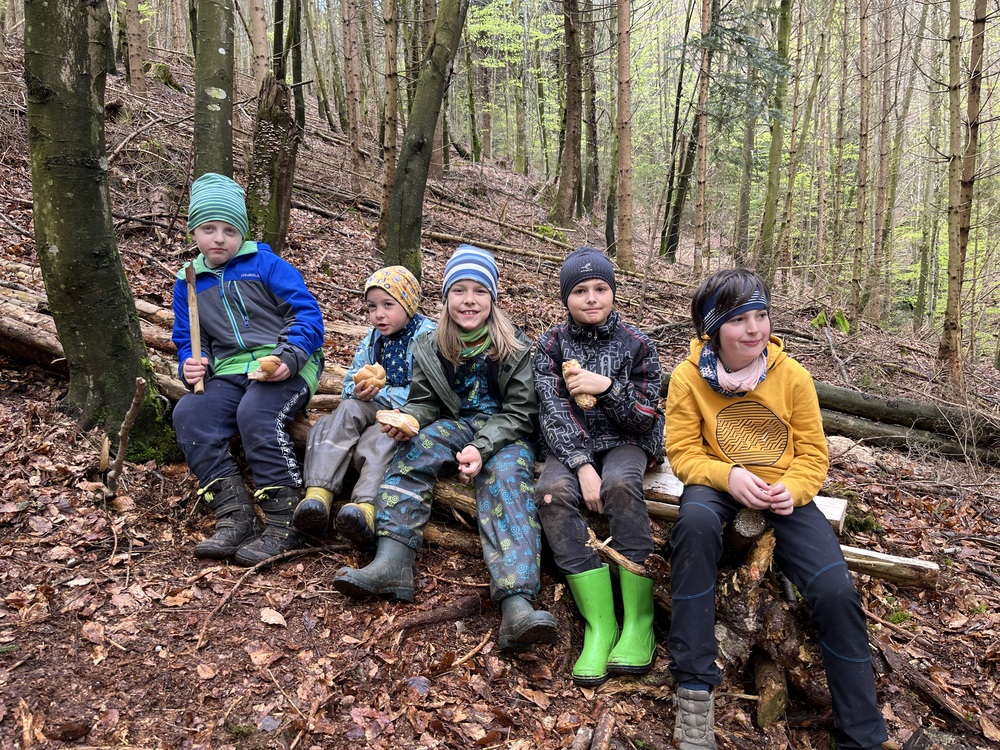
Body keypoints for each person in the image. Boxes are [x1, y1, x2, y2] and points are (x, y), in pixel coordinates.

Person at [665, 268, 888, 750]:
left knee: (835, 591)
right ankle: (695, 689)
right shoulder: (688, 378)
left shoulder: (792, 376)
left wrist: (793, 488)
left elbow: (813, 455)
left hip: (782, 492)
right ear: (712, 329)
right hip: (719, 483)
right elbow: (682, 452)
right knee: (695, 525)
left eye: (761, 315)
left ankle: (862, 736)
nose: (754, 329)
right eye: (738, 320)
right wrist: (728, 476)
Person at [333, 244, 557, 652]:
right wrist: (409, 419)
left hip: (506, 433)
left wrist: (481, 447)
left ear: (493, 297)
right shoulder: (431, 344)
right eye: (459, 291)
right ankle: (392, 561)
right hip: (456, 423)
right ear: (446, 297)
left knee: (507, 478)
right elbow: (426, 401)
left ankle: (517, 604)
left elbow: (521, 412)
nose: (469, 300)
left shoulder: (516, 347)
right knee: (414, 449)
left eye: (479, 291)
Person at [172, 172, 325, 567]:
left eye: (229, 230)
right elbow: (190, 338)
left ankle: (286, 521)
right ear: (193, 232)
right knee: (189, 414)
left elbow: (307, 316)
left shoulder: (266, 265)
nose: (219, 239)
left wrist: (289, 357)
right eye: (208, 229)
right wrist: (191, 363)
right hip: (228, 371)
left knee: (256, 413)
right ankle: (235, 516)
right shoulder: (188, 281)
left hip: (285, 364)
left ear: (242, 232)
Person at [532, 246, 665, 686]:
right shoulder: (551, 345)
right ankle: (600, 623)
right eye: (580, 291)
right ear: (565, 298)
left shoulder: (639, 345)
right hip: (571, 443)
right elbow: (552, 411)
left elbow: (644, 416)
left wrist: (606, 387)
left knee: (621, 485)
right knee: (550, 494)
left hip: (628, 440)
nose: (591, 298)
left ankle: (639, 622)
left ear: (612, 292)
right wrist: (581, 465)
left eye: (600, 288)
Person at [296, 266, 434, 543]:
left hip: (406, 412)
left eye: (388, 305)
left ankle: (365, 507)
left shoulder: (426, 338)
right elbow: (350, 383)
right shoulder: (373, 339)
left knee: (382, 437)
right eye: (372, 307)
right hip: (372, 403)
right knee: (344, 411)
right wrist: (358, 390)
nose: (379, 314)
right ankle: (318, 495)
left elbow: (426, 392)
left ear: (409, 305)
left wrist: (385, 394)